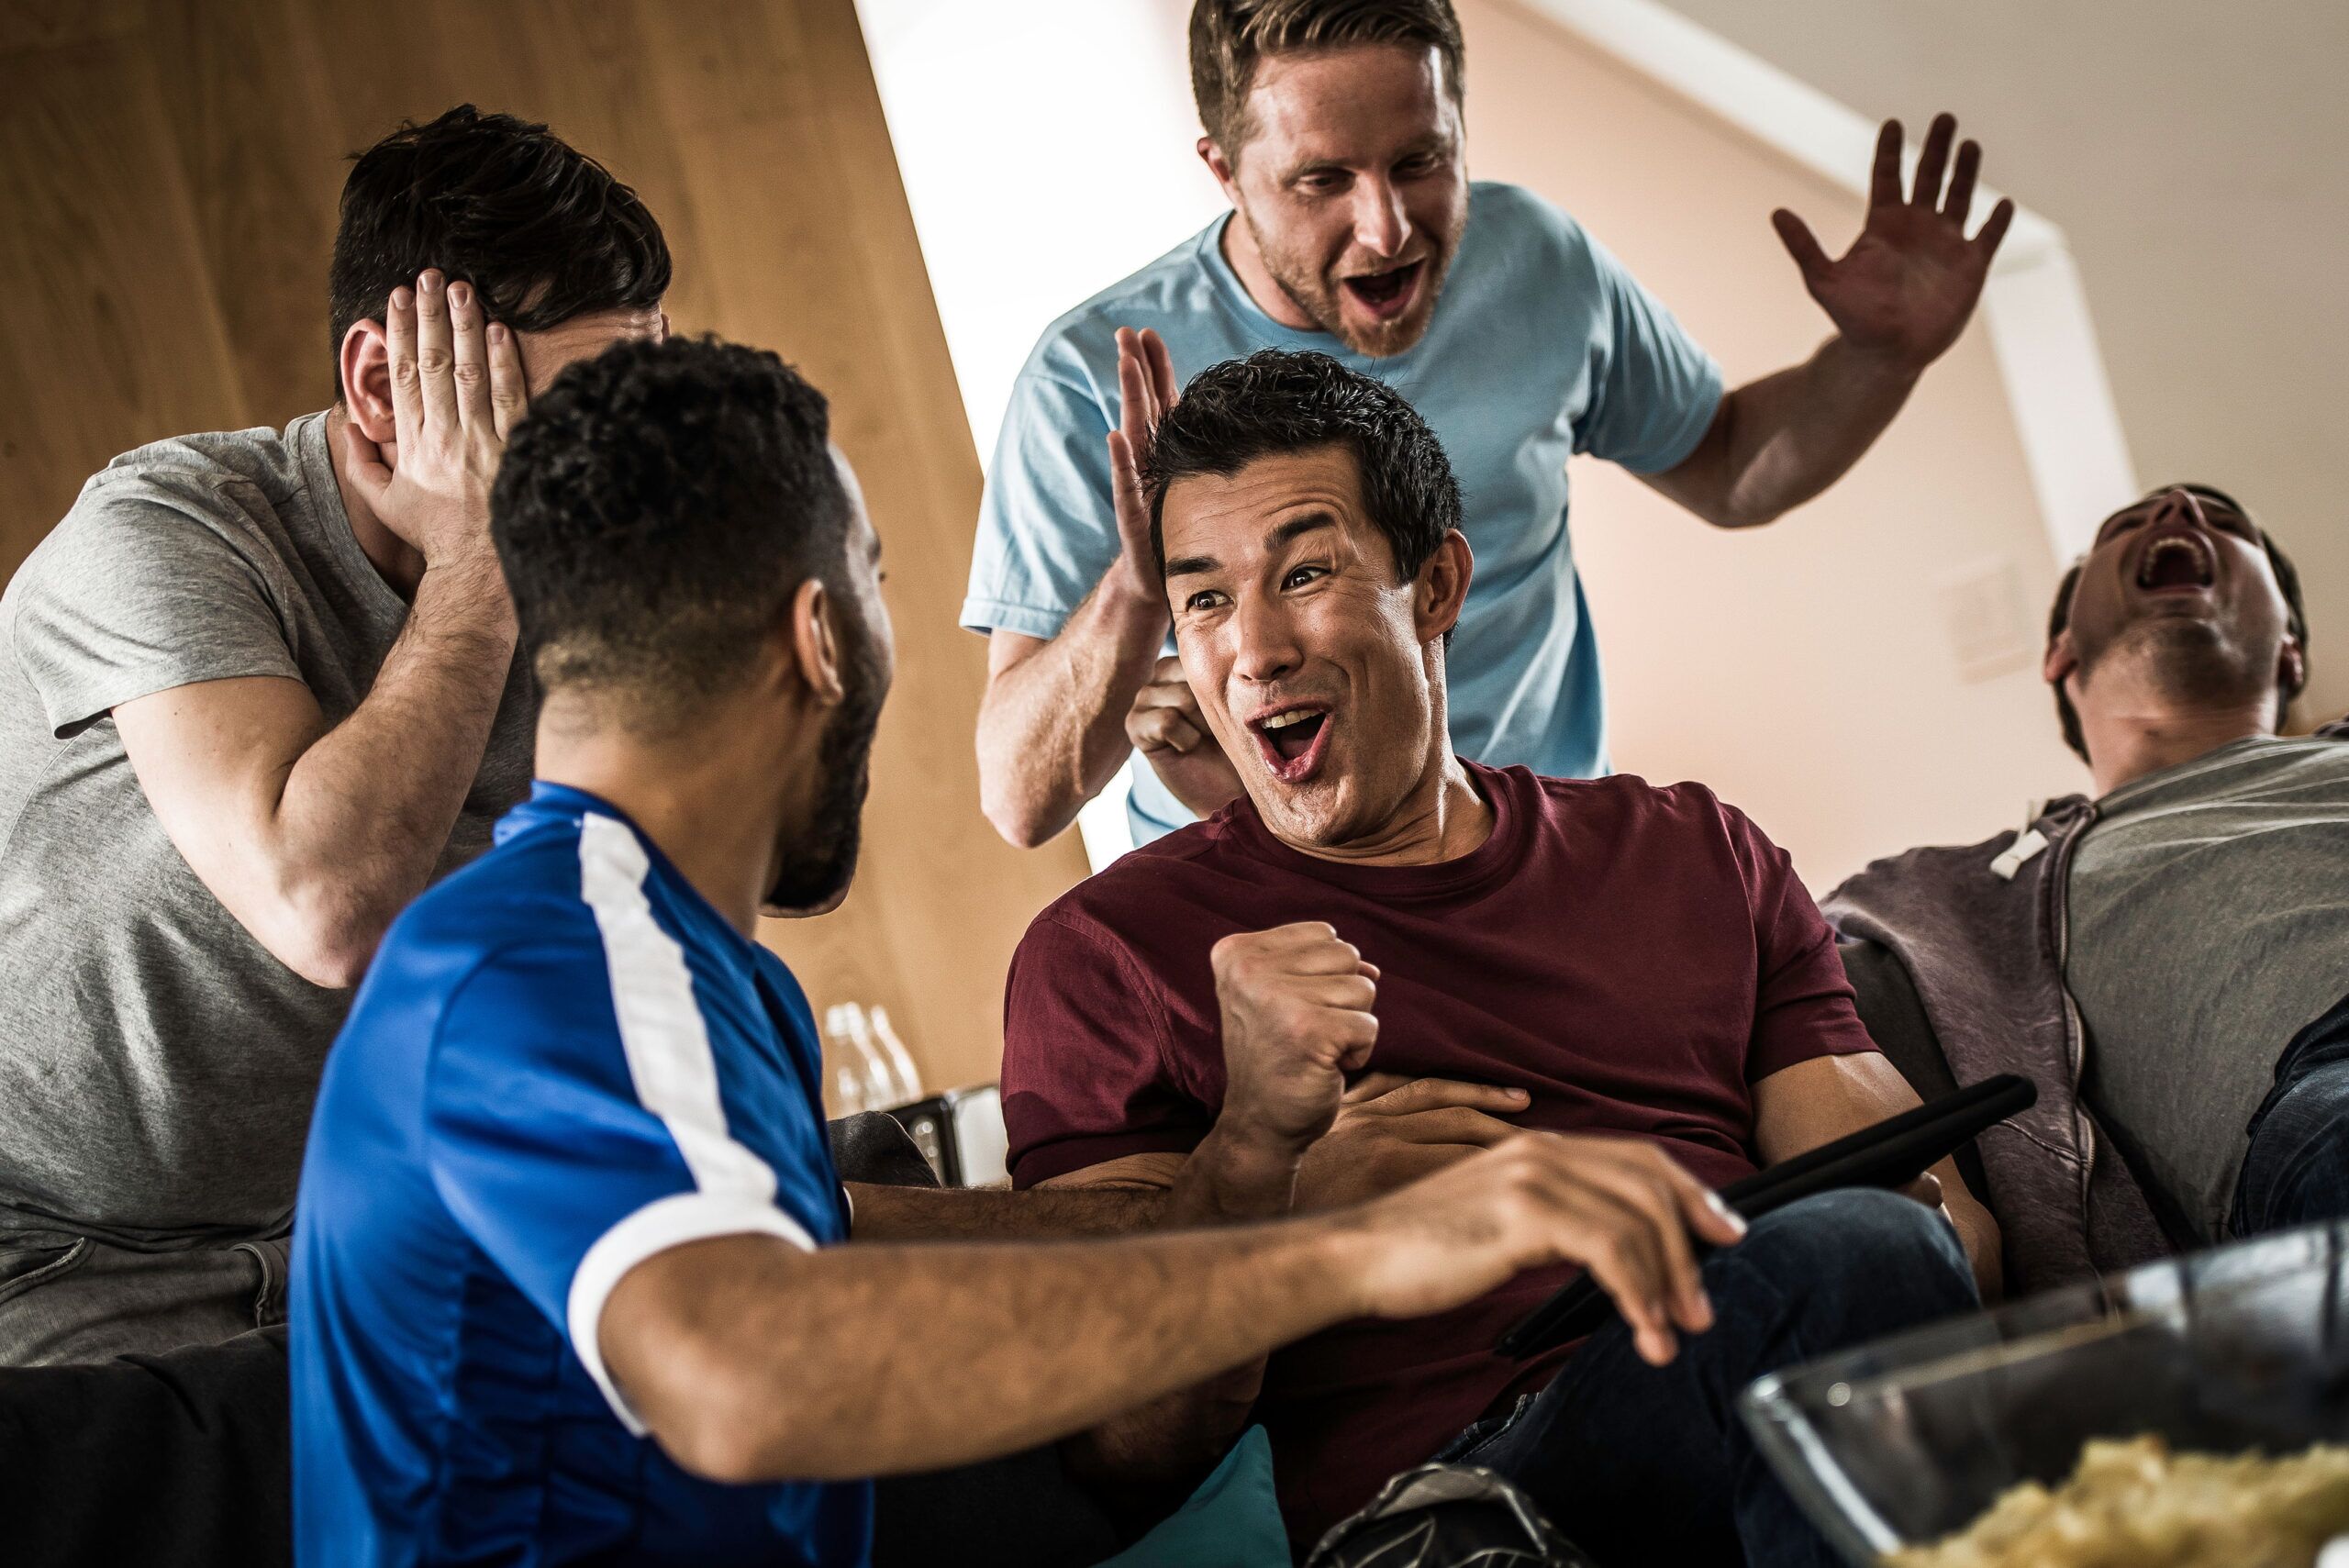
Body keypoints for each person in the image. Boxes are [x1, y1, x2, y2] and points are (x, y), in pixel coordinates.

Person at [288, 334, 1783, 1567]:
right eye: (878, 580)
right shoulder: (547, 959)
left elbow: (849, 1245)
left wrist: (1262, 1177)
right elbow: (746, 1373)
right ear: (822, 633)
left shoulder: (687, 977)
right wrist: (1361, 1246)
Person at [996, 350, 1994, 1564]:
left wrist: (1869, 1232)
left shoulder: (1695, 853)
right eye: (1202, 599)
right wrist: (1261, 1166)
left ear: (1436, 586)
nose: (1251, 650)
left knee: (1865, 1250)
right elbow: (1126, 1456)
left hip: (1752, 1373)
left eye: (1304, 573)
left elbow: (1942, 1242)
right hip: (1447, 1518)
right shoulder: (1106, 955)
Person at [967, 0, 2015, 850]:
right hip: (1259, 912)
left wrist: (1880, 357)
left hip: (1537, 871)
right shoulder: (1089, 380)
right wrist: (1142, 588)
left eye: (1419, 161)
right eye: (1322, 180)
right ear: (1222, 171)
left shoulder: (1540, 261)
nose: (1385, 228)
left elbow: (1733, 468)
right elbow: (1021, 798)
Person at [0, 105, 674, 1366]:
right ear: (382, 386)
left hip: (352, 1231)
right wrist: (477, 553)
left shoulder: (578, 565)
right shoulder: (160, 531)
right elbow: (328, 906)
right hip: (49, 1262)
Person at [1830, 484, 2344, 1285]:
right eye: (2126, 526)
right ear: (2061, 651)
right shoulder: (1956, 901)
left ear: (2291, 649)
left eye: (2228, 521)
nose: (2178, 508)